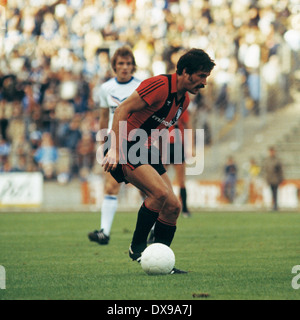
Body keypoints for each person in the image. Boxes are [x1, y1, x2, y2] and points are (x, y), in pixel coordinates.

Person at [102, 48, 215, 274]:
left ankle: (161, 260)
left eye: (206, 77)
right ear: (185, 72)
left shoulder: (184, 101)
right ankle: (137, 248)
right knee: (160, 194)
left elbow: (160, 129)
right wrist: (114, 148)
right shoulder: (160, 85)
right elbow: (122, 109)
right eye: (201, 76)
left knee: (173, 206)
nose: (204, 82)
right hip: (125, 145)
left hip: (146, 149)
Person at [88, 46, 141, 245]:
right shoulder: (106, 88)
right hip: (112, 141)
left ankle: (153, 229)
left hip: (137, 138)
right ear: (114, 66)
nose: (125, 67)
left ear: (133, 66)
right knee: (111, 186)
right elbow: (104, 116)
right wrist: (103, 143)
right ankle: (104, 232)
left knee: (145, 188)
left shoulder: (142, 86)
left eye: (128, 63)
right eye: (121, 63)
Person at [263, 146, 284, 211]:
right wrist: (266, 179)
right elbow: (265, 170)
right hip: (270, 179)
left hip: (276, 179)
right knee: (271, 192)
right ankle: (273, 205)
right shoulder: (267, 160)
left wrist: (281, 179)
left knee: (275, 192)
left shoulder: (277, 160)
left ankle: (275, 205)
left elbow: (280, 170)